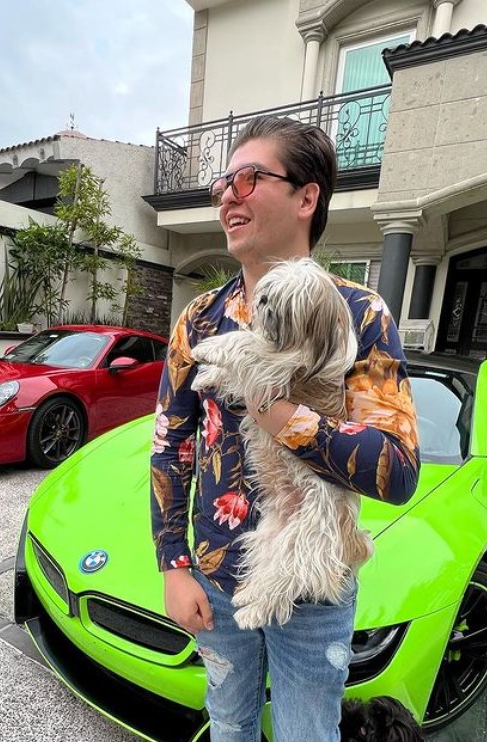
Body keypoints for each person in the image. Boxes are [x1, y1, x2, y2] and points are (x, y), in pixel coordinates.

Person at [150, 115, 420, 742]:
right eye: (223, 182)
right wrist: (173, 565)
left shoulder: (359, 313)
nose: (227, 195)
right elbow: (171, 444)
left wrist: (272, 410)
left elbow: (397, 468)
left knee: (307, 734)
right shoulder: (201, 318)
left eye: (248, 178)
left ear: (306, 197)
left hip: (313, 585)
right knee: (229, 723)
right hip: (215, 575)